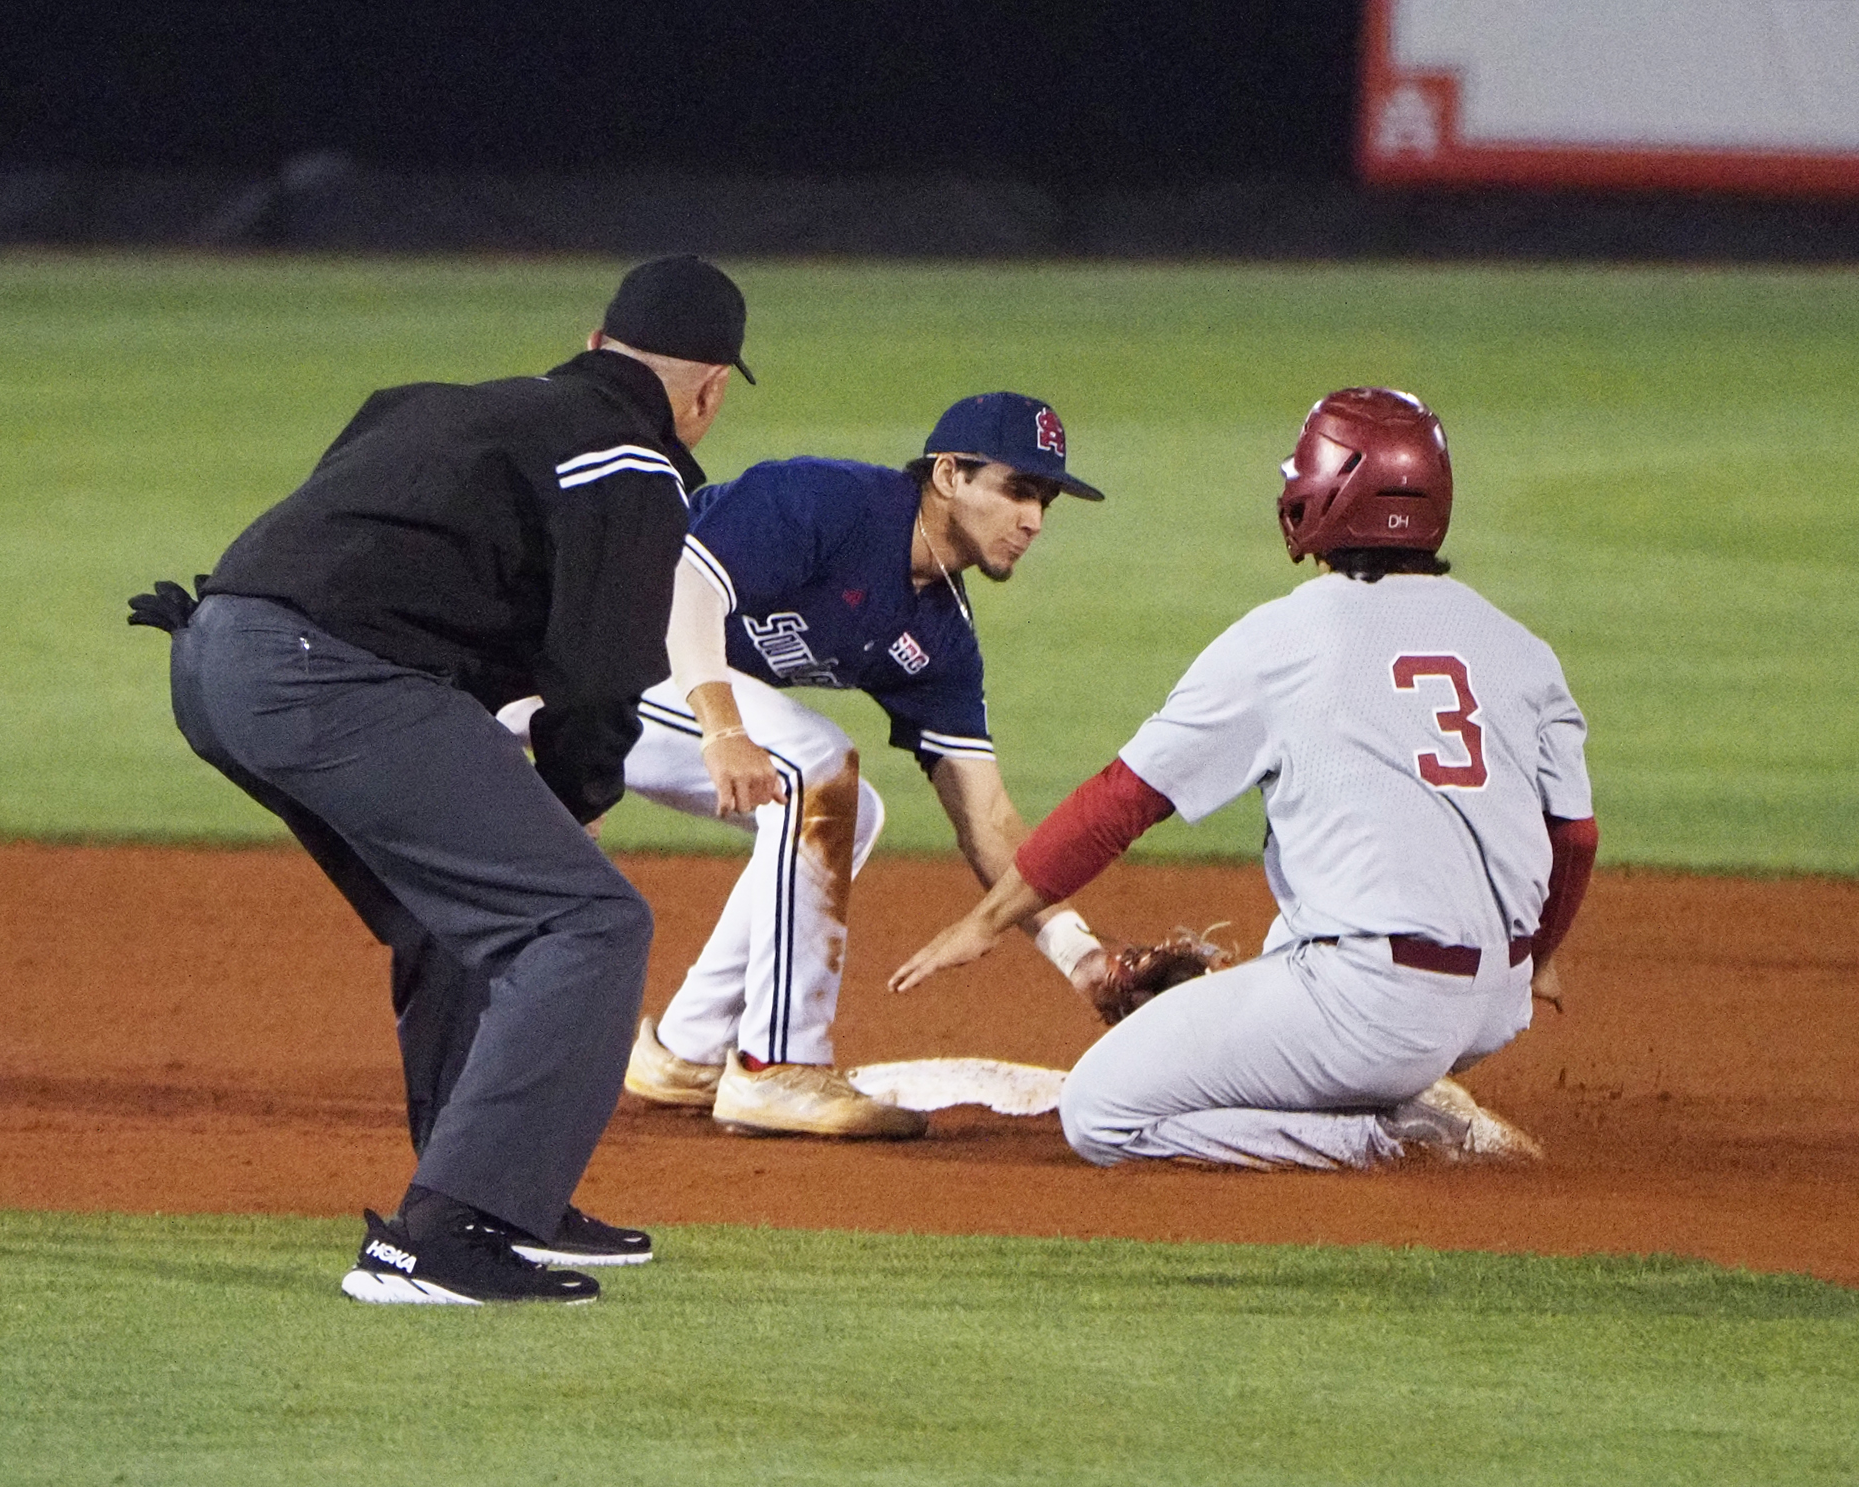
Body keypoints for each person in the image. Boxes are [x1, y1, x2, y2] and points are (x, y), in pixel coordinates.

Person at [127, 256, 751, 1302]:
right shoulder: (635, 462)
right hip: (327, 675)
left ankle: (500, 1193)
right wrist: (570, 802)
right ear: (709, 392)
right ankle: (447, 1227)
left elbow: (351, 525)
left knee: (453, 914)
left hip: (214, 654)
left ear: (594, 345)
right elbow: (600, 680)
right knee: (588, 922)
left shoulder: (448, 406)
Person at [892, 387, 1599, 1170]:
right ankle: (1379, 1079)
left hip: (1373, 1009)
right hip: (1496, 1002)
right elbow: (1573, 836)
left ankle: (1371, 1136)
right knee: (1294, 929)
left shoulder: (1285, 638)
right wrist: (1539, 956)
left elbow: (1124, 801)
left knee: (1101, 1112)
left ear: (1322, 495)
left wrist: (985, 923)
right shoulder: (1521, 648)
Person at [534, 392, 1114, 1137]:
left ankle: (686, 1047)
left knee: (849, 808)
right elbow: (684, 586)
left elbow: (988, 818)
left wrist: (1082, 956)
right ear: (948, 474)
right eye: (1017, 489)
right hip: (567, 649)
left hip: (643, 693)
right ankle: (779, 1066)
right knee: (813, 762)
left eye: (1046, 499)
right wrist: (721, 730)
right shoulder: (826, 501)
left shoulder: (939, 633)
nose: (1034, 518)